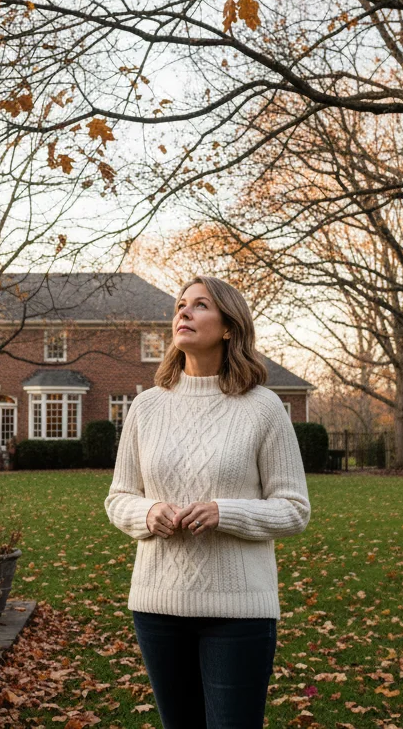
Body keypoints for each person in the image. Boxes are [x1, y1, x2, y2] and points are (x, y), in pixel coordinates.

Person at [105, 275, 311, 728]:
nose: (183, 312)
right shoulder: (146, 407)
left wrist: (226, 512)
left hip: (238, 610)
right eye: (181, 305)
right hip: (157, 605)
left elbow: (294, 508)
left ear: (229, 327)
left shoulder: (264, 407)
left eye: (199, 305)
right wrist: (148, 512)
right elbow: (119, 497)